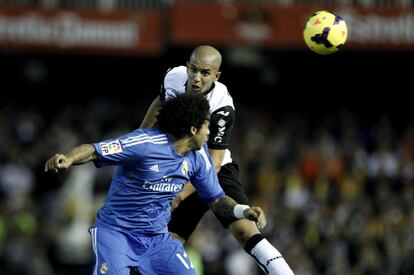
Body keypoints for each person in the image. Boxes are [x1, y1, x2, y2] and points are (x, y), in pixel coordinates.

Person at [44, 93, 266, 275]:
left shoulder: (199, 158)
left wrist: (243, 211)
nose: (209, 133)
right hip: (116, 233)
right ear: (193, 129)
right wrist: (69, 158)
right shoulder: (144, 143)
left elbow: (217, 200)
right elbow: (94, 150)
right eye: (206, 126)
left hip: (157, 239)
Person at [140, 45, 294, 275]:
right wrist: (140, 138)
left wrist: (180, 194)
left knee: (246, 232)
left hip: (215, 171)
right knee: (166, 244)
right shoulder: (173, 77)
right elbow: (160, 102)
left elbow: (214, 163)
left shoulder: (222, 105)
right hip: (180, 168)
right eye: (193, 69)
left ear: (216, 76)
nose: (196, 78)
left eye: (205, 73)